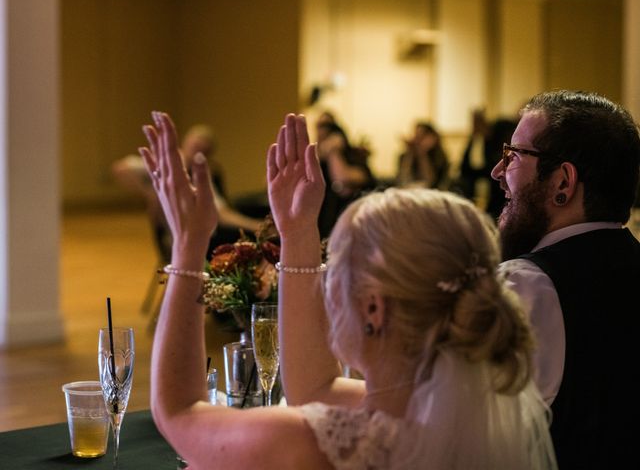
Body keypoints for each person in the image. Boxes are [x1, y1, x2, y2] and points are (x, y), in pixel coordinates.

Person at [139, 111, 556, 469]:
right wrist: (299, 231)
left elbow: (178, 413)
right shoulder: (464, 417)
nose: (328, 286)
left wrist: (190, 245)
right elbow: (315, 389)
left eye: (335, 269)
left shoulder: (313, 444)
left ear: (374, 309)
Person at [490, 90, 640, 469]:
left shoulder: (525, 286)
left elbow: (465, 429)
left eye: (513, 156)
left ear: (563, 183)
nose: (497, 171)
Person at [112, 123, 262, 261]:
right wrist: (151, 195)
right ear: (186, 143)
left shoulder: (201, 172)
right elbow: (121, 169)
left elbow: (221, 212)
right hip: (178, 239)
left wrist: (255, 226)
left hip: (197, 234)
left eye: (203, 150)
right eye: (195, 146)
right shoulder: (166, 162)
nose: (198, 152)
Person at [314, 114, 377, 239]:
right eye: (319, 127)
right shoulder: (318, 160)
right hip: (324, 226)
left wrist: (334, 151)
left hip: (353, 228)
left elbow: (342, 178)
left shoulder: (354, 158)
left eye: (327, 127)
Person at [395, 121, 450, 189]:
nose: (417, 141)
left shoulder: (439, 159)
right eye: (416, 136)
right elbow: (402, 181)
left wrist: (422, 155)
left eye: (421, 137)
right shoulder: (404, 156)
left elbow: (431, 182)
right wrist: (410, 153)